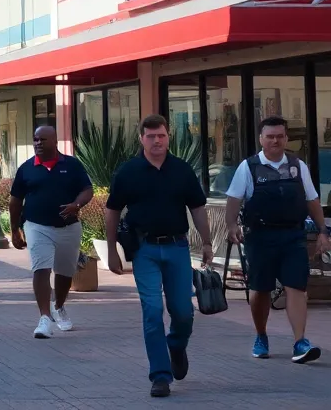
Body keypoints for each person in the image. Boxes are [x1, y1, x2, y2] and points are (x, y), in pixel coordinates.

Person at [105, 114, 214, 399]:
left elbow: (198, 208)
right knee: (152, 311)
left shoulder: (182, 170)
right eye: (151, 136)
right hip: (145, 250)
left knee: (183, 311)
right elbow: (112, 210)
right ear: (141, 138)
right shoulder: (128, 172)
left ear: (168, 137)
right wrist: (112, 251)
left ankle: (176, 346)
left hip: (177, 247)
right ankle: (160, 376)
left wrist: (207, 243)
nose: (157, 141)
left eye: (161, 135)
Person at [224, 116, 330, 363]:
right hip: (260, 237)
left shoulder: (297, 166)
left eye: (279, 136)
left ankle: (300, 342)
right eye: (270, 137)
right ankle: (261, 335)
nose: (275, 141)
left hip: (293, 236)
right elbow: (234, 199)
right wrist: (231, 226)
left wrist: (323, 231)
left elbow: (312, 199)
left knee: (297, 287)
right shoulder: (248, 167)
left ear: (286, 138)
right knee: (260, 290)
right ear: (261, 139)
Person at [8, 125, 93, 339]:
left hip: (69, 227)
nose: (38, 143)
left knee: (65, 273)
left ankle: (59, 306)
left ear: (55, 141)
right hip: (36, 226)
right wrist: (14, 230)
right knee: (41, 268)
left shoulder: (71, 165)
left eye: (42, 139)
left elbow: (87, 190)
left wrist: (77, 204)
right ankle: (44, 319)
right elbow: (15, 201)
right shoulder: (26, 168)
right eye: (35, 139)